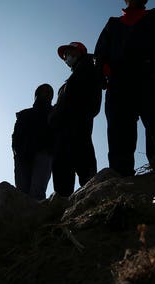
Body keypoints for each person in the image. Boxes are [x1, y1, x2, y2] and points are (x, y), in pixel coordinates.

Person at [94, 0, 155, 177]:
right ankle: (122, 181)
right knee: (119, 137)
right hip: (119, 84)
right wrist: (107, 74)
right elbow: (101, 53)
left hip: (153, 80)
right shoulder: (113, 24)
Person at [50, 41, 102, 197]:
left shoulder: (88, 69)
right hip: (65, 129)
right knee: (63, 165)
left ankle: (91, 196)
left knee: (82, 160)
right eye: (65, 55)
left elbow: (86, 100)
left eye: (70, 53)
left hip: (77, 125)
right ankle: (64, 202)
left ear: (80, 52)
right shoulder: (75, 75)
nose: (67, 57)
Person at [12, 84, 55, 200]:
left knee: (37, 193)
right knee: (21, 194)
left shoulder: (54, 113)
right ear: (36, 95)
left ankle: (37, 217)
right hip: (23, 155)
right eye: (43, 92)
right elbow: (15, 136)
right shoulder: (24, 114)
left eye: (49, 93)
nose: (46, 94)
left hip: (44, 154)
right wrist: (16, 152)